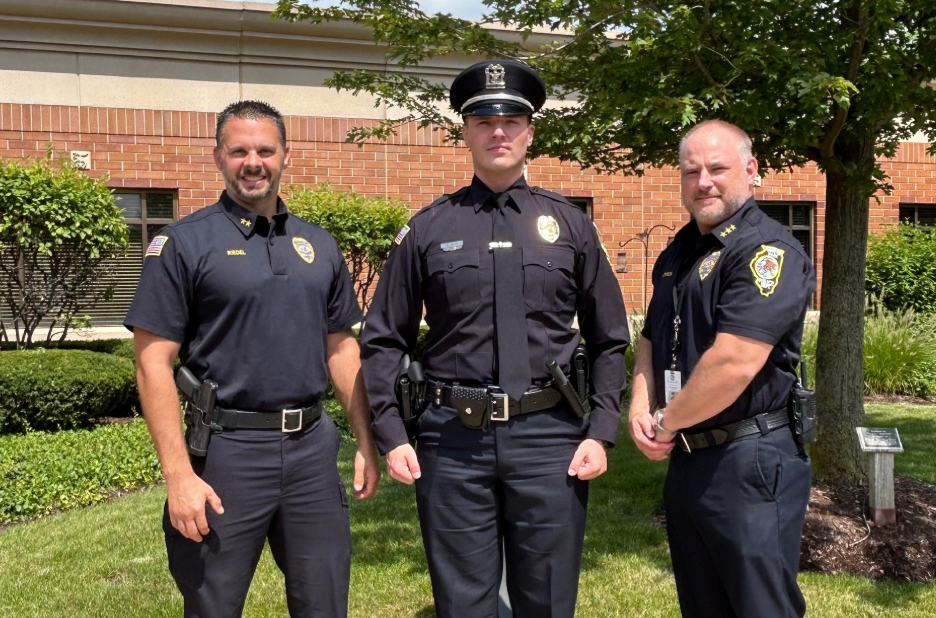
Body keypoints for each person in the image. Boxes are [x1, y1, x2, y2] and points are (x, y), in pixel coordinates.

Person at [359, 60, 630, 618]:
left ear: (530, 131)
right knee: (462, 603)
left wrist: (601, 431)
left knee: (548, 600)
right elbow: (385, 338)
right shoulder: (430, 227)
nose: (498, 131)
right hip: (452, 443)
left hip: (549, 439)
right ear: (465, 131)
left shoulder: (571, 226)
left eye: (511, 119)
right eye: (484, 120)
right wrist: (392, 434)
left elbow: (609, 338)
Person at [126, 100, 380, 618]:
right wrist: (178, 477)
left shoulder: (319, 245)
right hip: (226, 453)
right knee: (212, 602)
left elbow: (342, 348)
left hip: (311, 450)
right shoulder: (183, 244)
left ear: (286, 155)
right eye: (238, 150)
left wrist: (365, 440)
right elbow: (152, 362)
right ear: (217, 157)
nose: (253, 161)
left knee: (325, 601)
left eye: (265, 150)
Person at [628, 120, 815, 617]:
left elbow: (734, 362)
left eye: (717, 169)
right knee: (703, 604)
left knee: (759, 607)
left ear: (751, 171)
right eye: (692, 171)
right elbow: (651, 335)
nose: (703, 181)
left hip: (750, 458)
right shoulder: (677, 252)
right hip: (690, 457)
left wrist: (666, 421)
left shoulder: (765, 250)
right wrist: (640, 406)